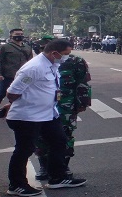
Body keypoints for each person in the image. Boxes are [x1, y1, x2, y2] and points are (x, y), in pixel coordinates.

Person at [0, 39, 87, 196]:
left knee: (59, 141)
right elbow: (12, 92)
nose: (67, 57)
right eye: (66, 54)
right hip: (27, 117)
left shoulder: (52, 64)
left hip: (48, 114)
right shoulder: (34, 68)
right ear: (54, 53)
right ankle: (17, 185)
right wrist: (13, 104)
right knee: (24, 150)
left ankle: (57, 177)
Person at [34, 47, 92, 180]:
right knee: (40, 136)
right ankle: (44, 166)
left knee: (66, 136)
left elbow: (82, 82)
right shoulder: (38, 62)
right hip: (43, 106)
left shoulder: (75, 61)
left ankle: (63, 166)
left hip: (66, 105)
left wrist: (82, 102)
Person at [0, 28, 34, 107]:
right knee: (2, 93)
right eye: (17, 34)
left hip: (22, 76)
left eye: (21, 34)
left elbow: (31, 62)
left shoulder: (27, 47)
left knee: (21, 94)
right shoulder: (4, 47)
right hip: (8, 75)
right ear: (11, 36)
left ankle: (12, 109)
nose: (20, 36)